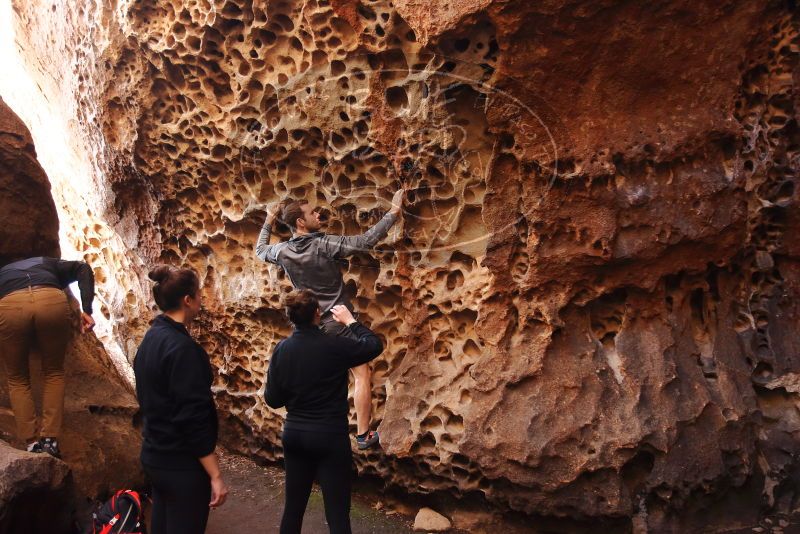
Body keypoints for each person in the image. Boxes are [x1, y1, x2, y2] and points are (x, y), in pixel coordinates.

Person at [255, 188, 404, 449]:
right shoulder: (324, 244)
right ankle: (363, 435)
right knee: (360, 373)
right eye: (312, 212)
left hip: (310, 325)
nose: (318, 214)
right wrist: (393, 212)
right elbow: (365, 241)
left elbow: (260, 250)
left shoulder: (282, 252)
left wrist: (269, 218)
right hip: (338, 320)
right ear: (301, 222)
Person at [266, 289, 383, 534]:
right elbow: (373, 345)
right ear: (317, 313)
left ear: (290, 317)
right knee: (338, 515)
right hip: (330, 436)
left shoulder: (282, 349)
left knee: (293, 509)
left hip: (295, 434)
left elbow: (273, 400)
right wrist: (350, 321)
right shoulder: (334, 344)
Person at [133, 266, 228, 534]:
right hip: (181, 465)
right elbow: (192, 418)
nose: (202, 299)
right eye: (198, 294)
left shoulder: (151, 338)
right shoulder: (183, 349)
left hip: (155, 454)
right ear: (188, 300)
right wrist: (215, 475)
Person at [0, 256, 96, 458]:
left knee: (17, 378)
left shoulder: (4, 273)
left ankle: (32, 442)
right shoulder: (48, 262)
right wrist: (87, 310)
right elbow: (83, 268)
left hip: (10, 303)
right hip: (50, 299)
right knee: (54, 372)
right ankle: (50, 440)